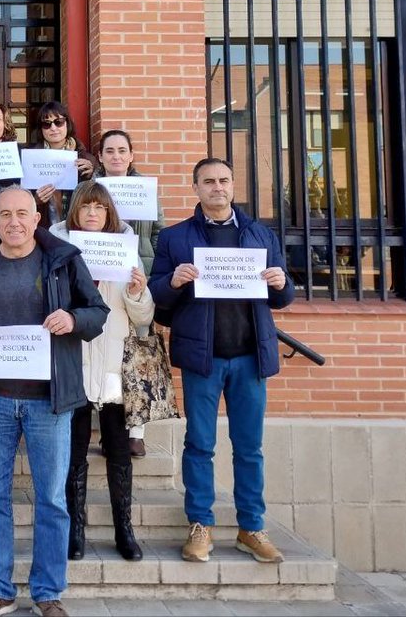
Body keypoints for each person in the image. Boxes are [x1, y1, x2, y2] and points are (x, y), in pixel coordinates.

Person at [0, 186, 108, 617]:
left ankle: (47, 592)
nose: (14, 222)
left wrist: (73, 318)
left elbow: (97, 311)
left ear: (37, 218)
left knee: (52, 498)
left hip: (49, 401)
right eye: (4, 214)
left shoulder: (63, 258)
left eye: (22, 213)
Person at [148, 157, 295, 565]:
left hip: (250, 356)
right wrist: (174, 281)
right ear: (196, 188)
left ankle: (252, 526)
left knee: (249, 447)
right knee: (200, 444)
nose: (217, 187)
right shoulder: (176, 238)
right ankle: (200, 525)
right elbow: (158, 296)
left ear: (233, 185)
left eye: (224, 180)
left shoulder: (260, 234)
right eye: (209, 181)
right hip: (203, 357)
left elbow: (283, 296)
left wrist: (283, 283)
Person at [49, 181, 154, 561]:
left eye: (100, 208)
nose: (93, 214)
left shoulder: (125, 252)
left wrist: (137, 292)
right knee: (74, 452)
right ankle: (74, 530)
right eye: (85, 207)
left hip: (112, 365)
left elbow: (143, 318)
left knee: (119, 452)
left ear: (109, 214)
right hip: (73, 361)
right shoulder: (57, 251)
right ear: (74, 212)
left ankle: (124, 530)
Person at [96, 127, 166, 459]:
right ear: (100, 156)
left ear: (131, 155)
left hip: (139, 281)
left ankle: (136, 431)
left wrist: (152, 277)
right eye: (110, 151)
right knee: (102, 353)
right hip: (103, 281)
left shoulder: (145, 191)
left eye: (122, 150)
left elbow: (161, 234)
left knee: (138, 357)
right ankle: (106, 427)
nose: (116, 156)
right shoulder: (90, 191)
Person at [30, 101, 95, 228]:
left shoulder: (87, 160)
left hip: (77, 229)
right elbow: (20, 199)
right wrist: (34, 200)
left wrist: (92, 175)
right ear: (41, 128)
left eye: (58, 122)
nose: (53, 128)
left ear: (67, 123)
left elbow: (99, 198)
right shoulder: (30, 160)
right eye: (46, 124)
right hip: (43, 230)